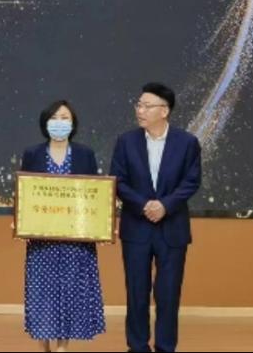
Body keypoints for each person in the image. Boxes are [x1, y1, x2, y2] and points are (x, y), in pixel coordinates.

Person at [109, 82, 202, 353]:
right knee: (136, 293)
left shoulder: (187, 142)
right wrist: (144, 205)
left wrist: (165, 205)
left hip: (172, 228)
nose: (140, 110)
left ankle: (165, 347)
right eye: (138, 105)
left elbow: (191, 181)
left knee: (168, 294)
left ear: (164, 110)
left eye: (146, 106)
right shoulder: (126, 141)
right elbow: (118, 181)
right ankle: (137, 347)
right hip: (136, 228)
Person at [19, 100, 105, 352]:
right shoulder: (32, 153)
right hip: (42, 240)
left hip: (75, 240)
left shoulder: (85, 154)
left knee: (70, 293)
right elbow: (25, 193)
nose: (59, 122)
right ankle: (43, 346)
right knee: (42, 294)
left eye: (65, 118)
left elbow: (94, 194)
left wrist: (98, 226)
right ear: (45, 122)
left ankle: (62, 347)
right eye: (55, 117)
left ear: (73, 123)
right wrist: (22, 222)